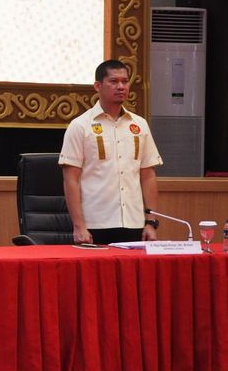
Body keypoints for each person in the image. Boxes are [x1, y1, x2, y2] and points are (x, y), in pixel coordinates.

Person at [59, 59, 163, 245]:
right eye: (114, 81)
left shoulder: (139, 124)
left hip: (134, 223)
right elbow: (70, 179)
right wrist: (79, 226)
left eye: (125, 81)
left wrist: (150, 222)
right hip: (95, 224)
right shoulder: (80, 126)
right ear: (98, 86)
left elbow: (147, 175)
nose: (121, 86)